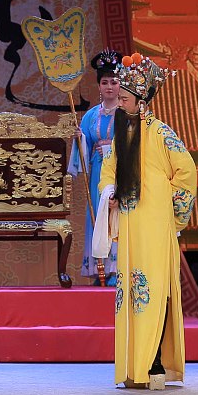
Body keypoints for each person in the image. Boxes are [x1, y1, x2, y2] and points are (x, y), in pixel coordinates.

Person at [93, 53, 196, 390]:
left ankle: (154, 363)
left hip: (154, 223)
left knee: (154, 289)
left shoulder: (162, 133)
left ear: (142, 101)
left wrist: (172, 212)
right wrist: (110, 192)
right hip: (130, 222)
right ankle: (136, 366)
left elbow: (187, 172)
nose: (120, 103)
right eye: (120, 98)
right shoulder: (121, 134)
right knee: (133, 292)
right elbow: (108, 169)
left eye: (125, 98)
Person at [68, 50, 121, 285]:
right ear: (99, 85)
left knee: (117, 216)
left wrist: (113, 148)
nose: (109, 87)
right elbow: (85, 149)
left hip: (120, 174)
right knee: (98, 217)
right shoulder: (90, 116)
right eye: (105, 82)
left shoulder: (127, 115)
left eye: (114, 82)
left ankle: (118, 269)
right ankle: (101, 269)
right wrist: (80, 139)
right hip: (99, 174)